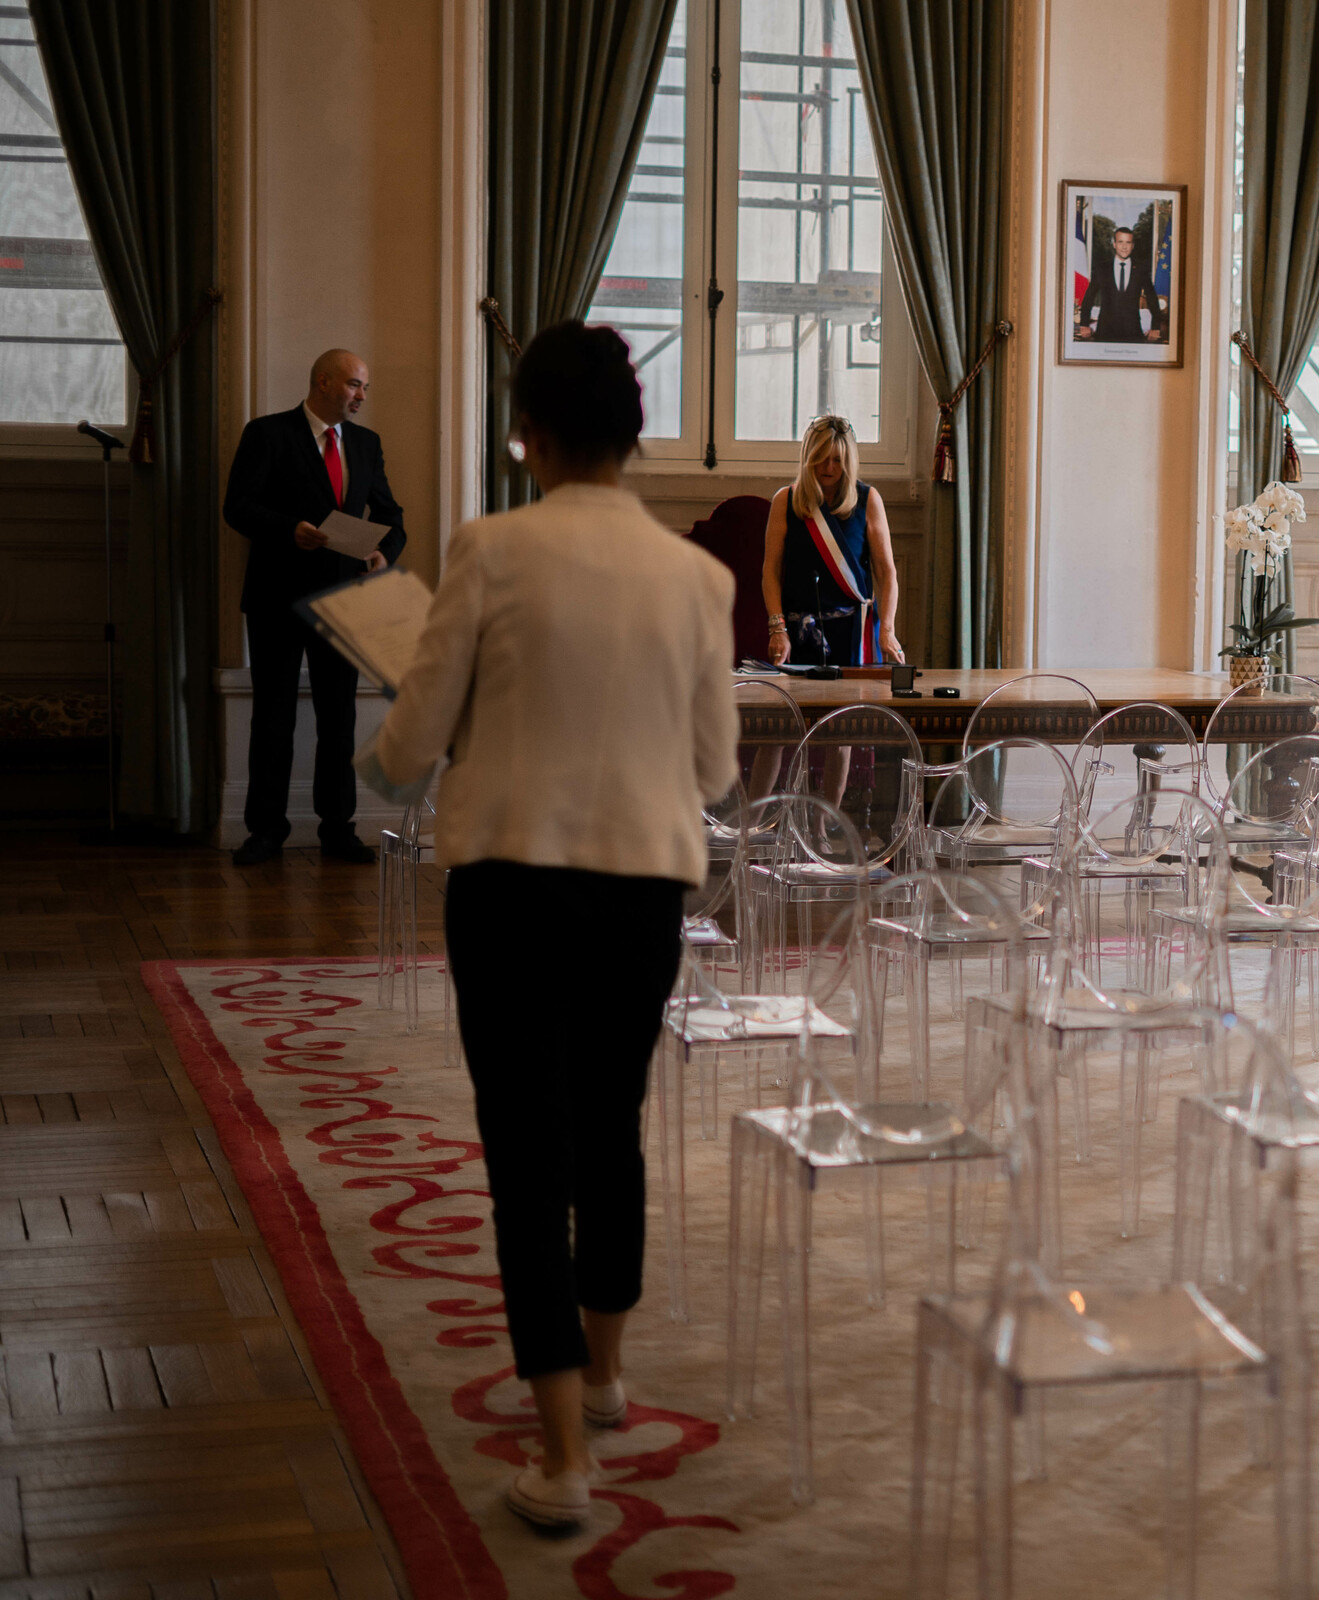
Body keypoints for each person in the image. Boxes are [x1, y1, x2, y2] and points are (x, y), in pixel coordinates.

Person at [358, 322, 737, 1530]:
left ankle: (563, 1456)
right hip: (641, 887)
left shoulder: (489, 549)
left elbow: (405, 756)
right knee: (612, 1129)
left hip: (512, 888)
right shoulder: (699, 577)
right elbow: (717, 771)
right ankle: (613, 1376)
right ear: (633, 431)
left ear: (527, 434)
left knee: (530, 1156)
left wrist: (406, 726)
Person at [223, 349, 408, 866]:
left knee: (339, 719)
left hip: (342, 601)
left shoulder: (367, 445)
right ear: (323, 382)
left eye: (364, 388)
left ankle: (338, 831)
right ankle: (264, 833)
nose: (361, 398)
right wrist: (290, 530)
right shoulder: (267, 433)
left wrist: (381, 554)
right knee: (273, 718)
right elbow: (237, 506)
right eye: (354, 386)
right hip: (276, 597)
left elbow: (392, 516)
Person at [761, 414, 904, 668]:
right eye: (821, 458)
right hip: (798, 635)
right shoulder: (785, 500)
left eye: (837, 460)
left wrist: (888, 630)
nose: (829, 468)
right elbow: (771, 572)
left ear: (849, 462)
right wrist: (777, 629)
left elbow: (886, 572)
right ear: (808, 457)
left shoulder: (868, 500)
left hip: (853, 636)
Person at [1076, 226, 1166, 343]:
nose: (1124, 247)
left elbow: (1152, 298)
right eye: (1120, 242)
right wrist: (1084, 324)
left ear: (1133, 245)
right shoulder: (1102, 268)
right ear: (1114, 244)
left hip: (1133, 332)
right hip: (1105, 332)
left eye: (1128, 242)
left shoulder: (1141, 269)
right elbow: (1089, 297)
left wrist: (1155, 327)